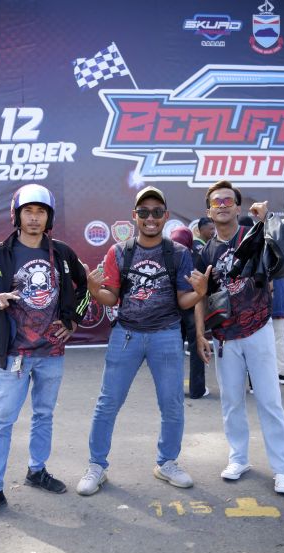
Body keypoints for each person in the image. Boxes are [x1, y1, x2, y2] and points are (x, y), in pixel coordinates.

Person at [0, 184, 89, 523]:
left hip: (52, 353)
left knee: (43, 415)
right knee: (0, 422)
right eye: (28, 211)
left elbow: (84, 286)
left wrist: (73, 320)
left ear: (49, 217)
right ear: (16, 215)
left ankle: (37, 470)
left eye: (40, 211)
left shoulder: (62, 253)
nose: (34, 218)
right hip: (14, 355)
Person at [77, 186, 211, 496]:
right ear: (134, 216)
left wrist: (200, 293)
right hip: (126, 335)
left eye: (156, 212)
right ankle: (96, 466)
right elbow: (112, 297)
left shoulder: (178, 253)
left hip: (166, 335)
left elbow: (183, 299)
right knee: (107, 403)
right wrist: (95, 290)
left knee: (172, 404)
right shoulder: (119, 252)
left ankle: (167, 463)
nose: (150, 218)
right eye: (144, 212)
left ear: (166, 216)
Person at [195, 179, 284, 495]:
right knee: (231, 402)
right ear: (209, 211)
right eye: (216, 202)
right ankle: (238, 458)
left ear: (238, 207)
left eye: (228, 201)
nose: (222, 206)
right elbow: (200, 296)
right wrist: (200, 334)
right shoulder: (205, 251)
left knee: (269, 401)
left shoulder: (256, 235)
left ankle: (282, 469)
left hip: (258, 329)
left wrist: (268, 218)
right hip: (225, 337)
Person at [170, 225, 209, 399]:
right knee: (197, 349)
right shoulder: (196, 256)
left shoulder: (165, 258)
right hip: (193, 309)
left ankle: (173, 390)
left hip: (172, 311)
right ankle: (197, 390)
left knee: (173, 352)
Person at [271, 278, 284, 385]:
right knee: (279, 338)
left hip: (275, 299)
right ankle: (282, 372)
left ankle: (282, 372)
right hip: (277, 299)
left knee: (279, 337)